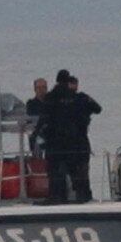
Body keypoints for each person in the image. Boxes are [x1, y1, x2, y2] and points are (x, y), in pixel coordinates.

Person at [38, 69, 102, 204]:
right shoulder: (80, 98)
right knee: (79, 176)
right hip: (77, 143)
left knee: (56, 175)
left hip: (55, 145)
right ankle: (83, 198)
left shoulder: (50, 98)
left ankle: (57, 198)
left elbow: (43, 120)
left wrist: (38, 137)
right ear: (69, 82)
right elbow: (98, 109)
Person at [24, 77, 50, 153]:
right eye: (38, 87)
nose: (41, 90)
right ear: (35, 89)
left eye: (44, 87)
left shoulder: (52, 102)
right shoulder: (31, 103)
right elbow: (31, 118)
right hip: (37, 134)